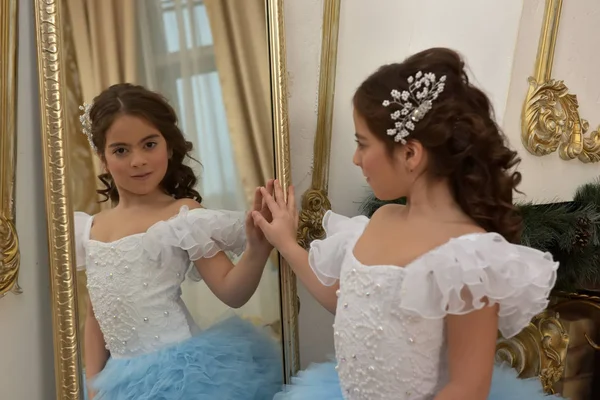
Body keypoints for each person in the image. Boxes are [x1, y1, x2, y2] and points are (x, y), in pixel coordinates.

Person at [252, 48, 563, 399]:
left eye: (362, 144)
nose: (355, 159)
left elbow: (468, 388)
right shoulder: (381, 219)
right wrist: (288, 244)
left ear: (410, 153)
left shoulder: (468, 257)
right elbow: (345, 299)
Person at [74, 83, 282, 399]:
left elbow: (231, 290)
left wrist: (256, 250)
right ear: (103, 158)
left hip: (182, 376)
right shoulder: (91, 228)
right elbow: (95, 315)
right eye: (121, 150)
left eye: (149, 144)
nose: (138, 160)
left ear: (168, 148)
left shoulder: (183, 217)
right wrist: (92, 386)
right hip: (118, 381)